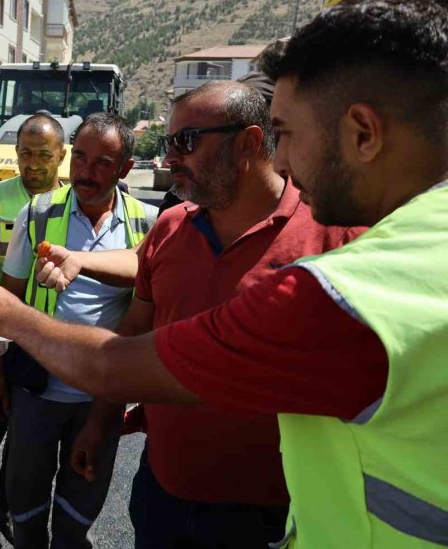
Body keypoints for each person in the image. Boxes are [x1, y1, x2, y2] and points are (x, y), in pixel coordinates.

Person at [0, 0, 448, 548]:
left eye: (286, 135)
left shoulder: (341, 284)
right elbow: (141, 289)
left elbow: (118, 364)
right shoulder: (417, 240)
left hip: (258, 517)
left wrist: (11, 318)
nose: (280, 160)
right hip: (167, 489)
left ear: (362, 132)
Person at [53, 80, 364, 548]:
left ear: (249, 142)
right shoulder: (170, 227)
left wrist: (12, 317)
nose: (172, 156)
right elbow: (135, 331)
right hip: (163, 491)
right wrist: (99, 423)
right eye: (168, 143)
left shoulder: (334, 235)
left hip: (269, 510)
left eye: (187, 141)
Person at [0, 112, 155, 549]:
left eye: (102, 162)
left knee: (80, 504)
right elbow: (11, 297)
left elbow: (145, 317)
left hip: (100, 398)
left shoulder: (148, 225)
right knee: (24, 501)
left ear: (125, 170)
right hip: (36, 392)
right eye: (79, 157)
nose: (86, 171)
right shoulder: (37, 214)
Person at [0, 113, 67, 547]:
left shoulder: (72, 203)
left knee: (26, 439)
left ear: (61, 155)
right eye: (25, 153)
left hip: (40, 340)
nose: (33, 163)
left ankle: (5, 507)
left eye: (43, 155)